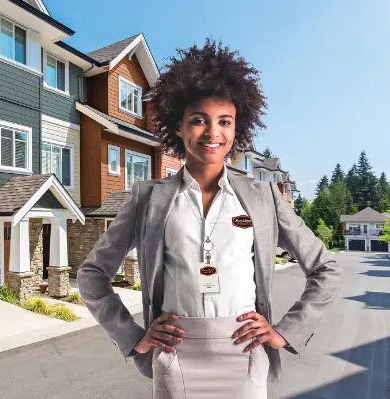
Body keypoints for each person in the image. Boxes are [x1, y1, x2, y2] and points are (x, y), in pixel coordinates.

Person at [77, 39, 342, 398]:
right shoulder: (148, 198)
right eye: (198, 120)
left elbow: (326, 268)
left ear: (236, 131)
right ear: (180, 127)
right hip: (175, 358)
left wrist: (286, 331)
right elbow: (92, 274)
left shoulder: (265, 199)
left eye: (224, 122)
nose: (212, 132)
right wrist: (133, 336)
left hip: (245, 354)